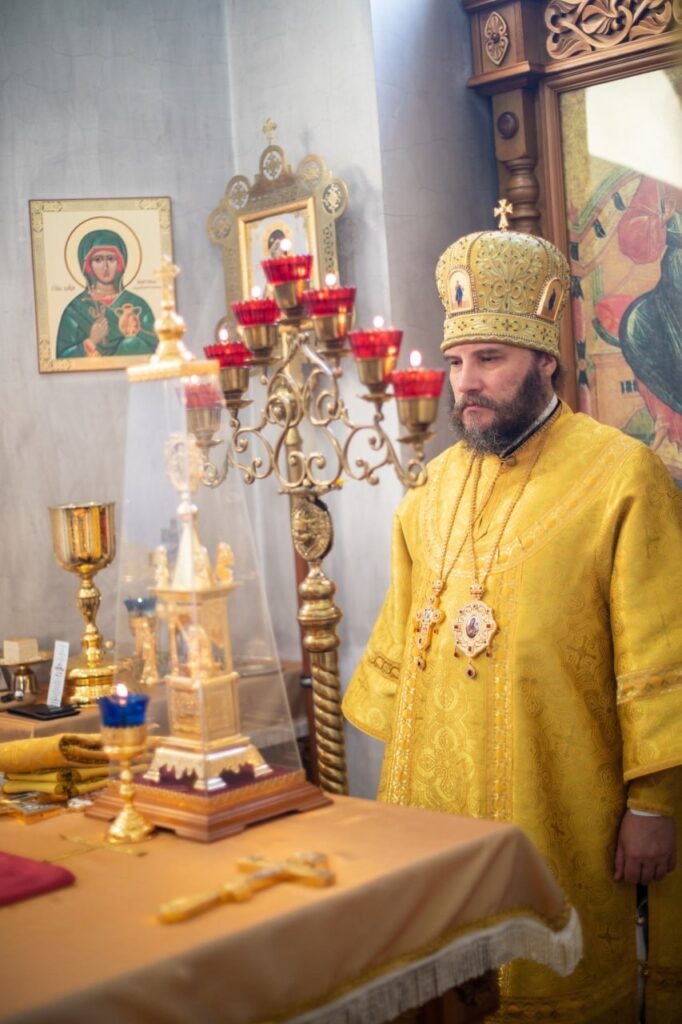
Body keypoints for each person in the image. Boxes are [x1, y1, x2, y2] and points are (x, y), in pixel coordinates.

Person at [342, 220, 682, 1022]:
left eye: (489, 359)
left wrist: (653, 806)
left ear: (545, 360)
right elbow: (400, 650)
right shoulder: (432, 487)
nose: (467, 382)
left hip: (562, 796)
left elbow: (660, 650)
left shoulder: (621, 476)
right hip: (434, 809)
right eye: (457, 361)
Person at [56, 228, 158, 358]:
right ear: (88, 266)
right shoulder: (75, 309)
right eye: (98, 260)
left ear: (120, 263)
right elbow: (62, 359)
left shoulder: (138, 304)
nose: (105, 267)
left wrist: (134, 336)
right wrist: (90, 342)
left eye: (111, 259)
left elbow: (157, 350)